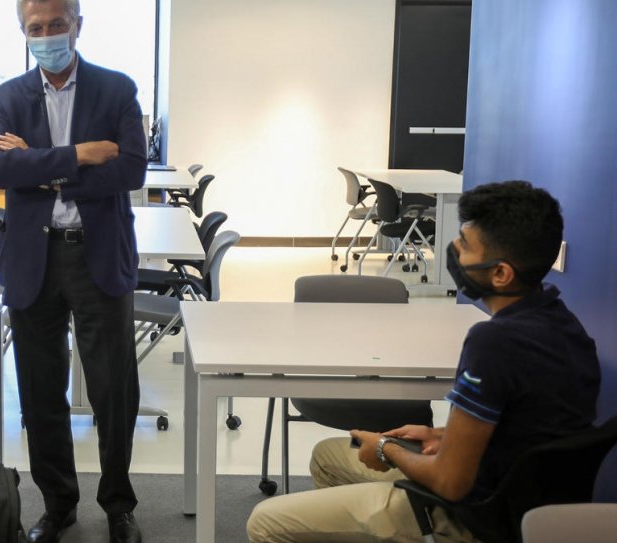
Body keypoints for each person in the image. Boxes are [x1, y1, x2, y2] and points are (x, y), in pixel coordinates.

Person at [247, 180, 600, 542]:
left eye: (464, 245)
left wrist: (388, 449)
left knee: (265, 522)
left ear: (500, 274)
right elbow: (529, 433)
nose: (452, 250)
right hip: (517, 502)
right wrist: (441, 435)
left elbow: (450, 481)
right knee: (328, 456)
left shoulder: (493, 342)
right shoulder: (567, 329)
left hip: (472, 518)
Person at [0, 1, 147, 541]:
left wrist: (45, 167)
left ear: (78, 25)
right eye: (36, 28)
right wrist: (79, 154)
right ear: (22, 32)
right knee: (40, 389)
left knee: (112, 389)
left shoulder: (116, 89)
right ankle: (58, 504)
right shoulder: (8, 97)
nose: (47, 35)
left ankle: (118, 505)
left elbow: (130, 168)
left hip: (96, 255)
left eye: (57, 25)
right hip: (33, 261)